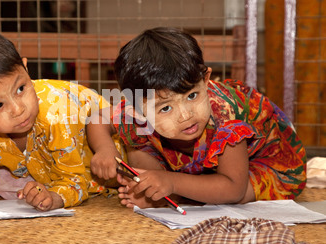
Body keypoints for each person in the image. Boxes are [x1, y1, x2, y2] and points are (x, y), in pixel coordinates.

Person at [89, 27, 306, 208]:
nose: (186, 115)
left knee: (240, 195)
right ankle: (158, 191)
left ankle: (174, 193)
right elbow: (98, 118)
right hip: (197, 162)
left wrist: (171, 182)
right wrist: (105, 149)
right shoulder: (135, 108)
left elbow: (233, 188)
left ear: (206, 80)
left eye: (192, 95)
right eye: (165, 108)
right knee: (136, 135)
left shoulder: (226, 116)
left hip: (260, 163)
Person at [0, 29, 124, 210]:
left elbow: (76, 180)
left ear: (26, 68)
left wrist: (54, 197)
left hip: (115, 164)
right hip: (46, 168)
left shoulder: (56, 114)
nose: (19, 109)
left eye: (20, 89)